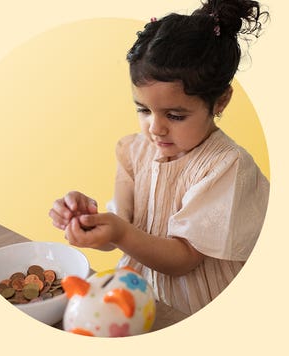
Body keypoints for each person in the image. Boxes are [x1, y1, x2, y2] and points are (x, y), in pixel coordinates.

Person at [49, 0, 270, 316]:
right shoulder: (133, 150)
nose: (155, 128)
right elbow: (120, 233)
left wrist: (119, 232)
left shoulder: (227, 166)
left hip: (193, 306)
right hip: (138, 295)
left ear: (220, 100)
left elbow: (183, 259)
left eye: (176, 115)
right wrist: (89, 222)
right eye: (143, 110)